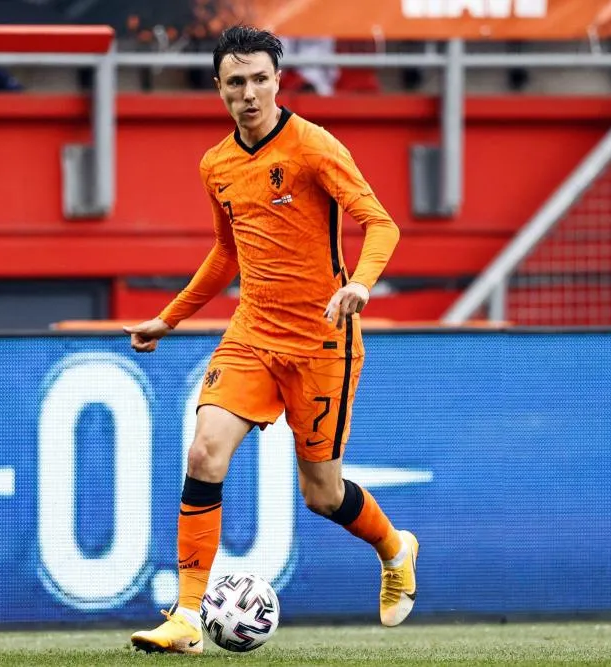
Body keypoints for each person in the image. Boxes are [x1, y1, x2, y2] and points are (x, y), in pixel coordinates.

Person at [125, 25, 416, 655]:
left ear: (279, 80)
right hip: (252, 333)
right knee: (204, 453)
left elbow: (381, 225)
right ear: (218, 88)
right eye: (236, 82)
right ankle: (187, 616)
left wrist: (360, 284)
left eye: (260, 79)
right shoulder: (216, 165)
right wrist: (170, 318)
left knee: (322, 494)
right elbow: (225, 253)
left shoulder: (313, 146)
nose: (249, 93)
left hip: (322, 344)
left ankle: (396, 549)